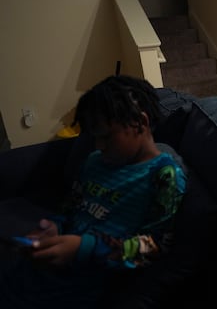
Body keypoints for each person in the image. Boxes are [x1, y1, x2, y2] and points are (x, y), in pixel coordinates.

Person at [0, 75, 187, 308]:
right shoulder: (94, 161)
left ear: (140, 123)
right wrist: (53, 228)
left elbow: (153, 247)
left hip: (76, 289)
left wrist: (83, 248)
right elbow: (71, 209)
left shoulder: (164, 175)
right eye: (94, 137)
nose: (99, 145)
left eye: (106, 136)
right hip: (33, 273)